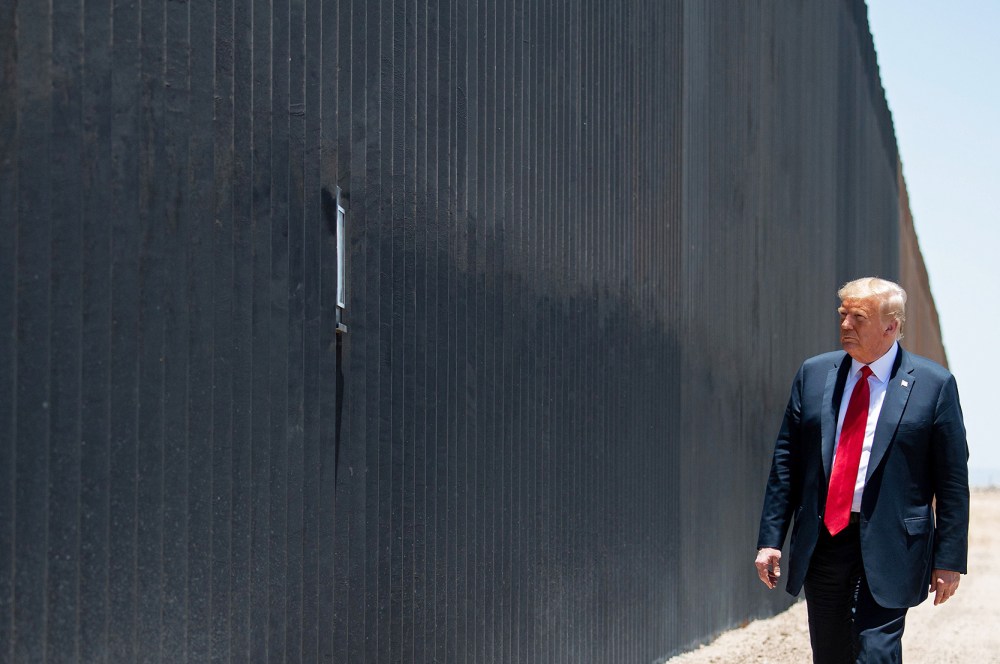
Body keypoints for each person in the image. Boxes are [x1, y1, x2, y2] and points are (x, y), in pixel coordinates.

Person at [755, 277, 969, 663]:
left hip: (894, 543)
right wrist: (771, 539)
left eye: (858, 317)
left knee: (876, 652)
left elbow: (952, 480)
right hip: (824, 540)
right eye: (843, 315)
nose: (845, 325)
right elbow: (786, 461)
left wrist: (949, 559)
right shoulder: (814, 374)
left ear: (891, 326)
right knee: (831, 652)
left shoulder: (934, 386)